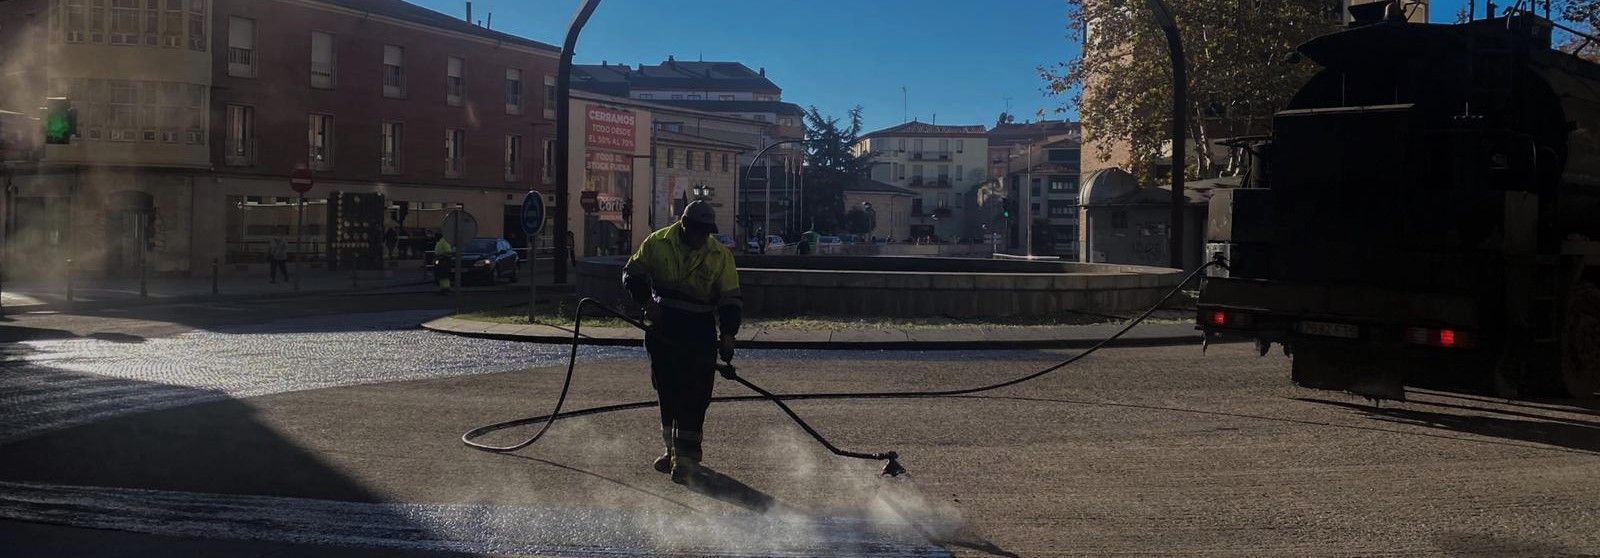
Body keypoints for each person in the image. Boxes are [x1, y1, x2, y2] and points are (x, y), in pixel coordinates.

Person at [621, 200, 742, 484]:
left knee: (696, 396)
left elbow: (730, 299)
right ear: (684, 225)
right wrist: (647, 303)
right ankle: (672, 451)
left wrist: (727, 334)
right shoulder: (657, 243)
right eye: (698, 231)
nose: (702, 238)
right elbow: (632, 273)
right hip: (664, 329)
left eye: (706, 232)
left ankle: (687, 459)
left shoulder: (719, 255)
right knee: (668, 392)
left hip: (698, 332)